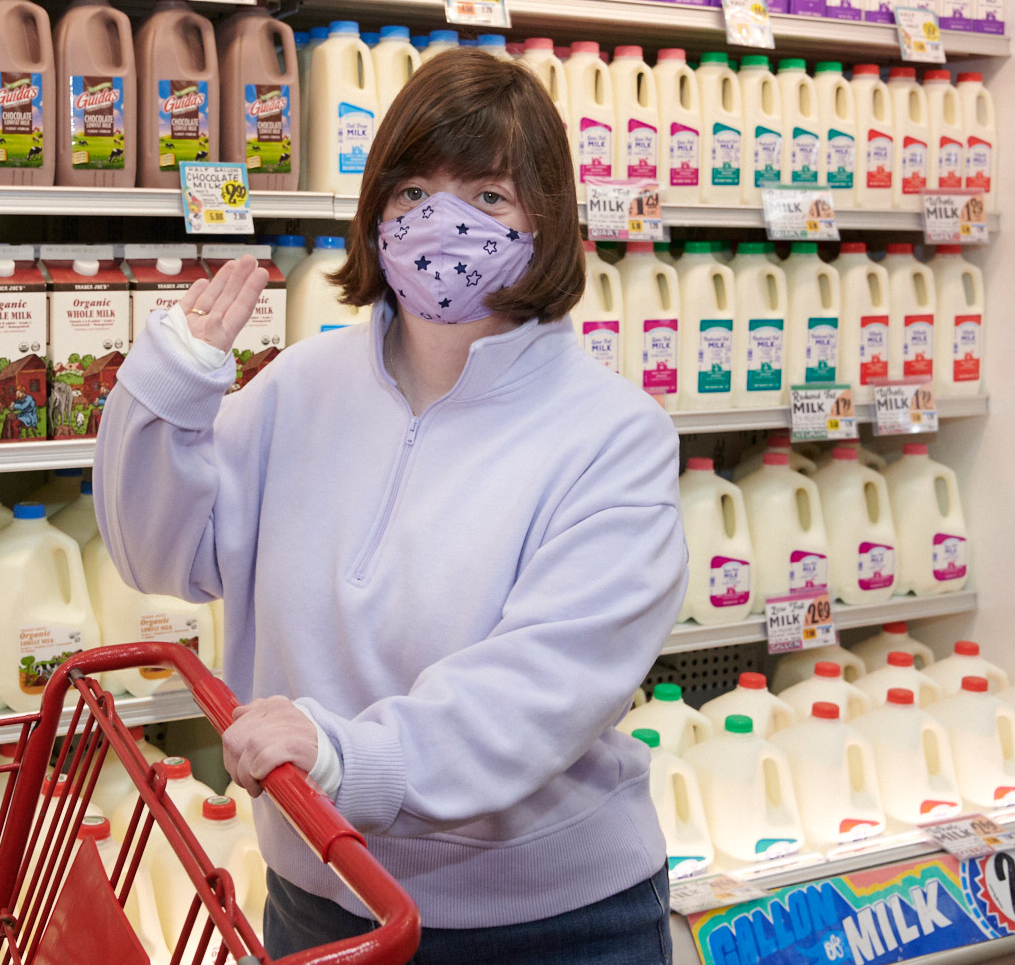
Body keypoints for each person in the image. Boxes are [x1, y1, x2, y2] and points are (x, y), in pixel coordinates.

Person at [94, 49, 686, 963]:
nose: (441, 222)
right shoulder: (299, 388)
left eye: (487, 197)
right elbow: (158, 554)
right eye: (411, 190)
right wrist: (166, 392)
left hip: (551, 926)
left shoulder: (612, 435)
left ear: (549, 223)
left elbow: (541, 686)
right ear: (375, 213)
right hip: (324, 897)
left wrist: (344, 756)